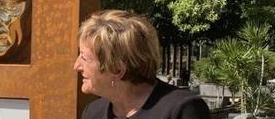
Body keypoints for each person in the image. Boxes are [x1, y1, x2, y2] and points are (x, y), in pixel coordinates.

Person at [75, 9, 209, 119]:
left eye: (84, 58)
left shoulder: (182, 109)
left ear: (117, 69)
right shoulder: (93, 112)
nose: (76, 66)